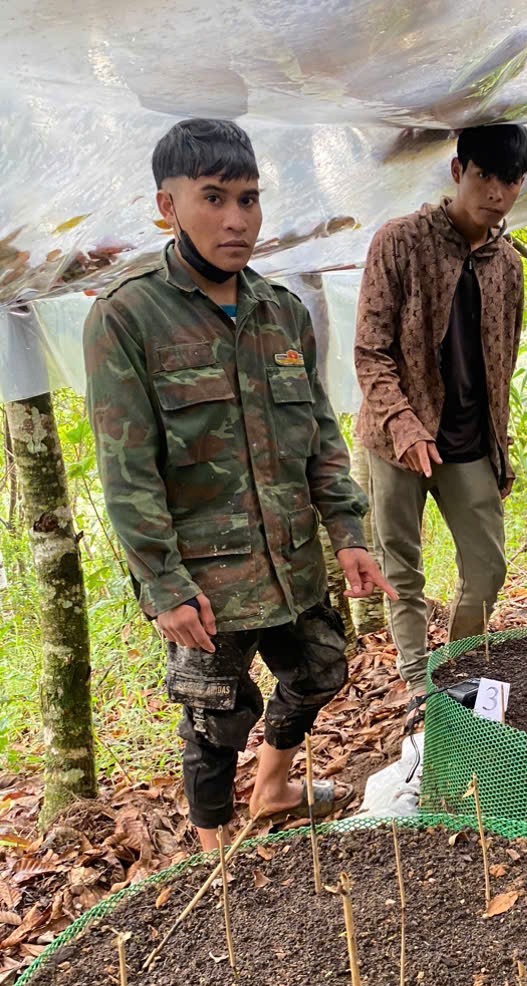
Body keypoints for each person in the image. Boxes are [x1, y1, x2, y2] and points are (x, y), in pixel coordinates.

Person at [84, 117, 394, 852]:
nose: (237, 220)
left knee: (322, 670)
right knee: (214, 715)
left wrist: (348, 534)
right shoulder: (127, 316)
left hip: (290, 560)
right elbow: (126, 472)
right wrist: (162, 583)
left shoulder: (280, 311)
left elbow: (319, 433)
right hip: (207, 579)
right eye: (214, 198)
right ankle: (213, 848)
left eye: (249, 199)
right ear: (167, 206)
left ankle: (275, 787)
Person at [354, 123, 527, 723]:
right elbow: (371, 352)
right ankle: (416, 685)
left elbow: (500, 368)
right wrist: (404, 426)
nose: (497, 193)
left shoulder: (507, 267)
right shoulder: (399, 242)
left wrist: (498, 452)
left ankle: (455, 670)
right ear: (458, 172)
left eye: (510, 181)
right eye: (485, 176)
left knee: (487, 568)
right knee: (402, 570)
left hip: (467, 445)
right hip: (395, 440)